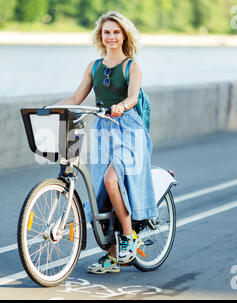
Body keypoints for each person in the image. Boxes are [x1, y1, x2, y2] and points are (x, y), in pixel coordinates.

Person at [57, 11, 158, 274]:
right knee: (100, 193)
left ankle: (129, 236)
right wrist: (53, 108)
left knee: (112, 179)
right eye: (106, 32)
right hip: (102, 129)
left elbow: (134, 97)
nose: (111, 37)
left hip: (128, 129)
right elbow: (77, 96)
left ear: (124, 35)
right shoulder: (93, 66)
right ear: (100, 37)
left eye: (116, 32)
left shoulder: (131, 65)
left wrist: (121, 106)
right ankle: (111, 258)